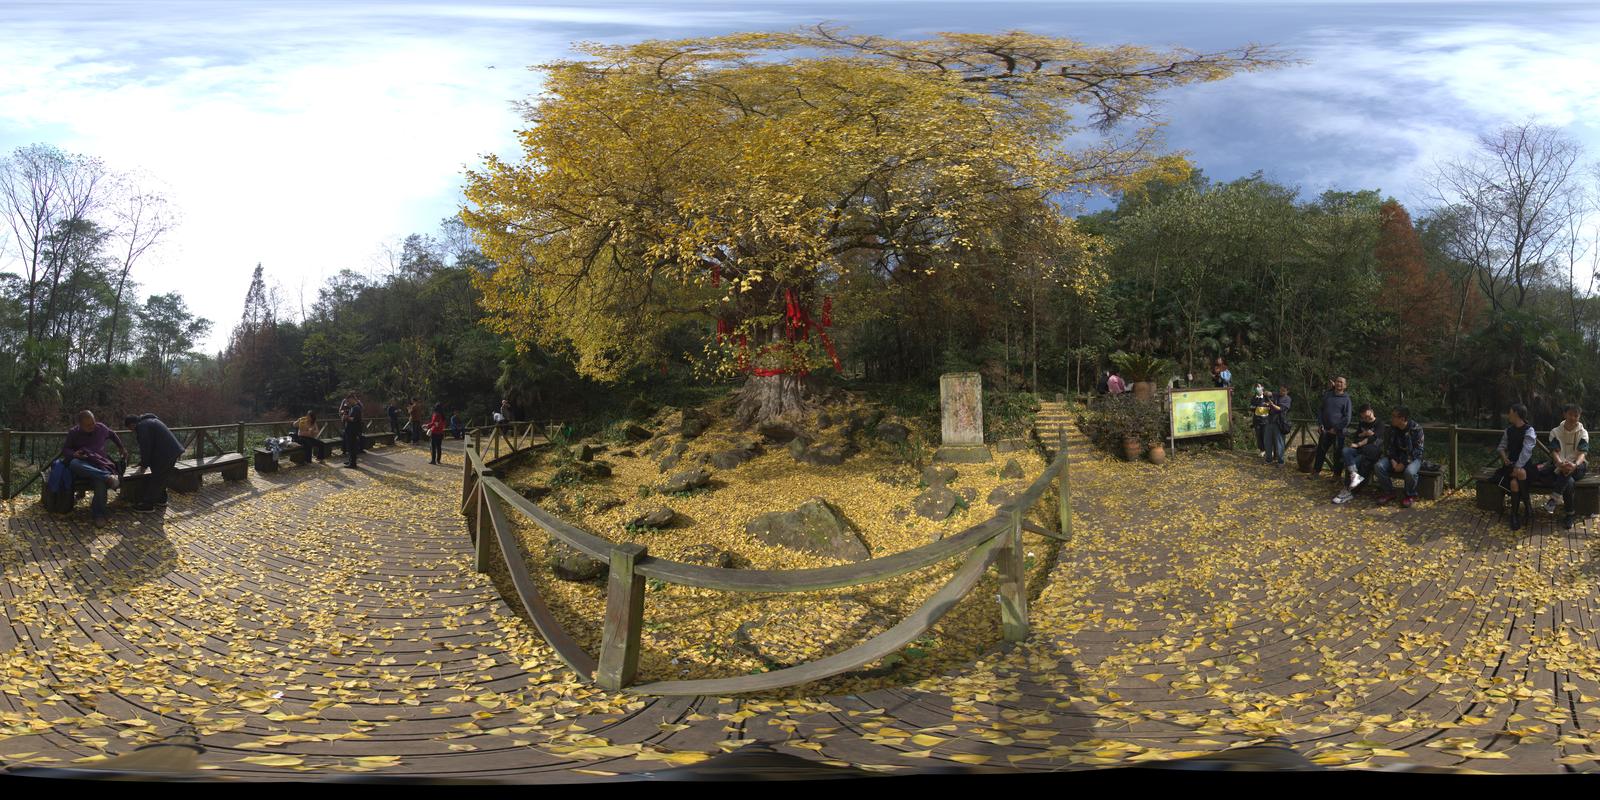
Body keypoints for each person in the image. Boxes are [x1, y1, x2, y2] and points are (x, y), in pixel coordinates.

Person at [60, 410, 128, 526]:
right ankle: (108, 477)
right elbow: (65, 450)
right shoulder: (74, 433)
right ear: (80, 425)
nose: (92, 426)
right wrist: (74, 454)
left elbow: (112, 434)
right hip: (83, 465)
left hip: (100, 463)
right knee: (74, 463)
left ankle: (99, 514)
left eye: (93, 423)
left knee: (100, 482)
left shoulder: (101, 428)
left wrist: (121, 447)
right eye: (88, 425)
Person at [1536, 403, 1588, 529]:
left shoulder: (1583, 433)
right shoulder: (1555, 432)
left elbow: (1582, 453)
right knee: (1569, 482)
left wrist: (1575, 464)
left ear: (1579, 416)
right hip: (1560, 466)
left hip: (1578, 466)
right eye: (1570, 414)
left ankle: (1554, 499)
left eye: (1576, 415)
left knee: (1567, 472)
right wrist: (1560, 463)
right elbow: (1554, 451)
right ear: (1564, 414)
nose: (1573, 418)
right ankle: (1570, 514)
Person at [122, 413, 185, 513]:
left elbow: (146, 448)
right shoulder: (149, 422)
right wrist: (141, 463)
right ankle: (161, 499)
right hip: (171, 452)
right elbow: (152, 445)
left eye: (130, 428)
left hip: (166, 454)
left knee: (157, 478)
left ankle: (148, 505)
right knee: (161, 477)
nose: (132, 431)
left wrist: (143, 467)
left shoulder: (142, 427)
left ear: (132, 424)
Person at [1492, 403, 1537, 529]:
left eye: (1510, 412)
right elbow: (1501, 447)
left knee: (1518, 477)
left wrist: (1517, 467)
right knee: (1515, 481)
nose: (1508, 415)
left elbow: (1527, 451)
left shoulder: (1529, 430)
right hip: (1510, 466)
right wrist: (1504, 458)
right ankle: (1522, 511)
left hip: (1526, 465)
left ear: (1516, 413)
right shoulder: (1509, 430)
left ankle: (1520, 512)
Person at [1375, 405, 1427, 508]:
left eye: (1394, 416)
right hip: (1395, 457)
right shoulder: (1392, 429)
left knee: (1409, 472)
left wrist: (1403, 463)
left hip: (1413, 458)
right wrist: (1393, 460)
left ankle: (1410, 495)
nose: (1392, 418)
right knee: (1378, 466)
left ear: (1402, 419)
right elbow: (1389, 447)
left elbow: (1418, 451)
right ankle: (1389, 492)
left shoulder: (1416, 429)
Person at [1333, 404, 1381, 505]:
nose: (1366, 419)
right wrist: (1363, 434)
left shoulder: (1379, 423)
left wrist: (1359, 443)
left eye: (1368, 416)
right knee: (1345, 451)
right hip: (1359, 450)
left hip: (1369, 453)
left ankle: (1349, 489)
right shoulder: (1362, 423)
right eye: (1364, 417)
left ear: (1372, 411)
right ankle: (1354, 476)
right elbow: (1356, 436)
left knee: (1352, 462)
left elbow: (1374, 438)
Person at [1310, 377, 1352, 481]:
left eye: (1341, 382)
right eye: (1337, 381)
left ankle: (1336, 475)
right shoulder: (1328, 395)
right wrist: (1320, 424)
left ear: (1345, 386)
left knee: (1338, 454)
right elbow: (1321, 410)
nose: (1339, 383)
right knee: (1320, 451)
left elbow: (1347, 418)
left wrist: (1336, 428)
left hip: (1339, 432)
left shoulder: (1346, 399)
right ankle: (1316, 472)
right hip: (1325, 430)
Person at [1264, 385, 1290, 465]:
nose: (1281, 392)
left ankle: (1280, 461)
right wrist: (1264, 392)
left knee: (1279, 443)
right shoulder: (1276, 395)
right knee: (1267, 441)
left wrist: (1272, 405)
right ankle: (1268, 459)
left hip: (1279, 423)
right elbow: (1269, 394)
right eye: (1280, 390)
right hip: (1269, 421)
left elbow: (1281, 409)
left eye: (1283, 390)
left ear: (1287, 391)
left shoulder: (1287, 399)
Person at [341, 393, 364, 468]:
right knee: (350, 446)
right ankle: (350, 460)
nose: (347, 402)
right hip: (349, 430)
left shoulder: (356, 408)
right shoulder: (352, 408)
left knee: (352, 447)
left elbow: (353, 419)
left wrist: (346, 417)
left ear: (352, 399)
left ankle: (353, 463)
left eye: (348, 401)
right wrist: (345, 415)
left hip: (352, 430)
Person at [1249, 384, 1270, 457]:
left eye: (1259, 386)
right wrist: (1256, 407)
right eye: (1256, 387)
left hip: (1266, 420)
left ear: (1262, 388)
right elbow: (1251, 407)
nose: (1257, 388)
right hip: (1257, 420)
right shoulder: (1254, 398)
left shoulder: (1267, 397)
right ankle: (1262, 450)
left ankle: (1269, 450)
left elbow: (1271, 405)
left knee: (1266, 436)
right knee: (1259, 436)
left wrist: (1266, 406)